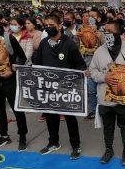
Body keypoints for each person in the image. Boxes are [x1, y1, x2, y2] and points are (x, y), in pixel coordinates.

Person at [33, 13, 87, 160]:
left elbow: (80, 63)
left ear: (59, 26)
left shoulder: (69, 44)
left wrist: (82, 72)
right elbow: (37, 62)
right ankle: (53, 142)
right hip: (49, 89)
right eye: (46, 25)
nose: (48, 28)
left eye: (51, 25)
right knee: (51, 117)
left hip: (66, 90)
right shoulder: (44, 43)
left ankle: (75, 145)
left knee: (70, 118)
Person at [90, 20, 125, 166]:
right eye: (105, 31)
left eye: (110, 32)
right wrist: (103, 77)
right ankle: (108, 149)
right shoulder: (100, 51)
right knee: (108, 126)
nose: (107, 34)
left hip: (123, 98)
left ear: (119, 33)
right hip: (105, 98)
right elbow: (92, 70)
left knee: (124, 125)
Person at [0, 10, 29, 151]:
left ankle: (22, 136)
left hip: (9, 80)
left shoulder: (8, 38)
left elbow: (22, 57)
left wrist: (11, 71)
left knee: (17, 110)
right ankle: (3, 135)